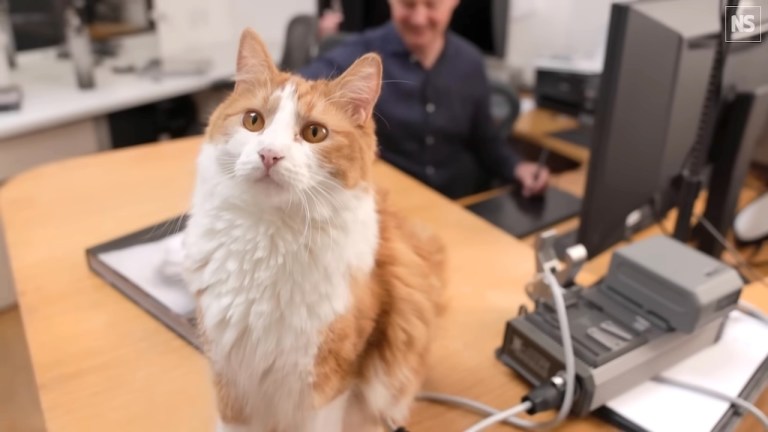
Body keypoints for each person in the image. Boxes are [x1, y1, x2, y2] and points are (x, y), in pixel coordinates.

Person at [300, 0, 550, 199]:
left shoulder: (471, 62)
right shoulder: (357, 57)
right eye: (408, 4)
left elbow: (486, 139)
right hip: (394, 204)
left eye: (431, 5)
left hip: (462, 206)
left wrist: (517, 167)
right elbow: (297, 90)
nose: (419, 19)